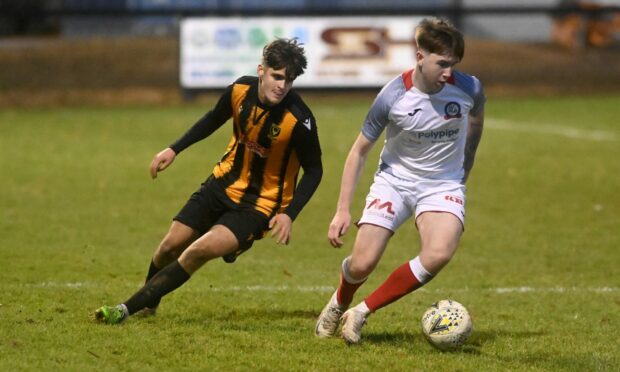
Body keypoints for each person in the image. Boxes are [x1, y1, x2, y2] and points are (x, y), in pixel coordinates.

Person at [94, 38, 322, 324]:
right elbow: (212, 120)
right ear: (261, 70)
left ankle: (126, 309)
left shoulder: (299, 120)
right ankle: (149, 304)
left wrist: (289, 214)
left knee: (198, 250)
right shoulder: (240, 90)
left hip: (260, 205)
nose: (282, 86)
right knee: (169, 246)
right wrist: (173, 148)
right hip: (222, 183)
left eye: (289, 80)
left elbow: (315, 170)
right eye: (277, 76)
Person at [314, 18, 485, 344]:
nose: (449, 72)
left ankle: (362, 312)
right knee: (362, 263)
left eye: (454, 64)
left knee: (439, 252)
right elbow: (359, 152)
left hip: (442, 184)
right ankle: (339, 302)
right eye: (442, 63)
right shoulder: (393, 96)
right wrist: (342, 210)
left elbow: (476, 126)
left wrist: (464, 171)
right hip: (395, 180)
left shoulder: (470, 89)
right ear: (420, 56)